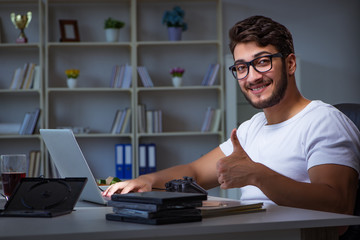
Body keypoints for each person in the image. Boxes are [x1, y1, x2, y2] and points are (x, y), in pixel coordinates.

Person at [103, 15, 360, 221]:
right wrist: (145, 181)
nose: (252, 76)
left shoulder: (324, 120)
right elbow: (194, 172)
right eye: (241, 67)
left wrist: (257, 175)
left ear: (290, 64)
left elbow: (338, 204)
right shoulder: (253, 127)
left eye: (263, 62)